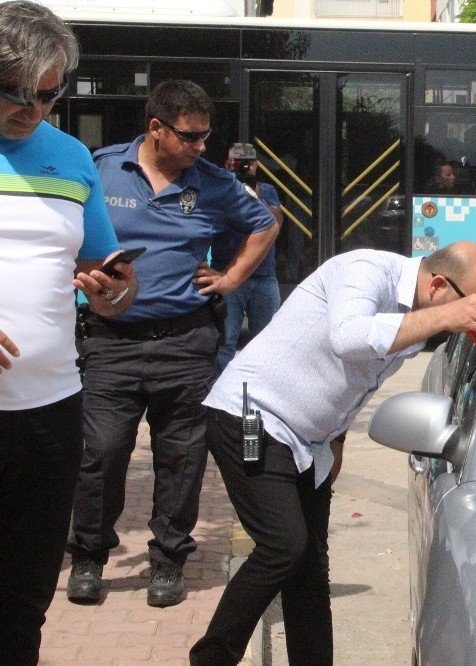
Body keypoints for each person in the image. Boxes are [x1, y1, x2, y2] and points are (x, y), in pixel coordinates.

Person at [188, 241, 476, 665]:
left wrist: (335, 439)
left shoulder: (421, 309)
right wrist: (445, 316)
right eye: (474, 302)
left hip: (308, 441)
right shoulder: (367, 269)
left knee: (310, 571)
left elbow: (355, 379)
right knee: (284, 546)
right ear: (439, 285)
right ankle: (211, 657)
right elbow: (349, 339)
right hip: (249, 414)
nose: (473, 315)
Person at [65, 80, 279, 608]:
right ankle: (89, 555)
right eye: (189, 136)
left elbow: (266, 224)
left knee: (182, 458)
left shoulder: (212, 182)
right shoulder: (102, 167)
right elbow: (66, 230)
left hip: (186, 342)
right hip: (111, 342)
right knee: (102, 453)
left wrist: (230, 279)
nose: (200, 147)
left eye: (205, 136)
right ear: (155, 128)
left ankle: (168, 561)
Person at [0, 2, 138, 661]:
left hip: (52, 414)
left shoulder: (73, 156)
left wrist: (115, 292)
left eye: (49, 95)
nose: (33, 111)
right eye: (17, 93)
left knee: (25, 602)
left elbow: (104, 274)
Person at [213, 143, 282, 374]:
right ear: (227, 165)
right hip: (227, 274)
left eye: (249, 162)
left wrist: (254, 195)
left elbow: (274, 223)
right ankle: (221, 399)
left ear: (256, 166)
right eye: (238, 162)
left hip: (263, 278)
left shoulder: (267, 191)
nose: (244, 166)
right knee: (224, 343)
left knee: (266, 343)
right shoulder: (221, 190)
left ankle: (260, 394)